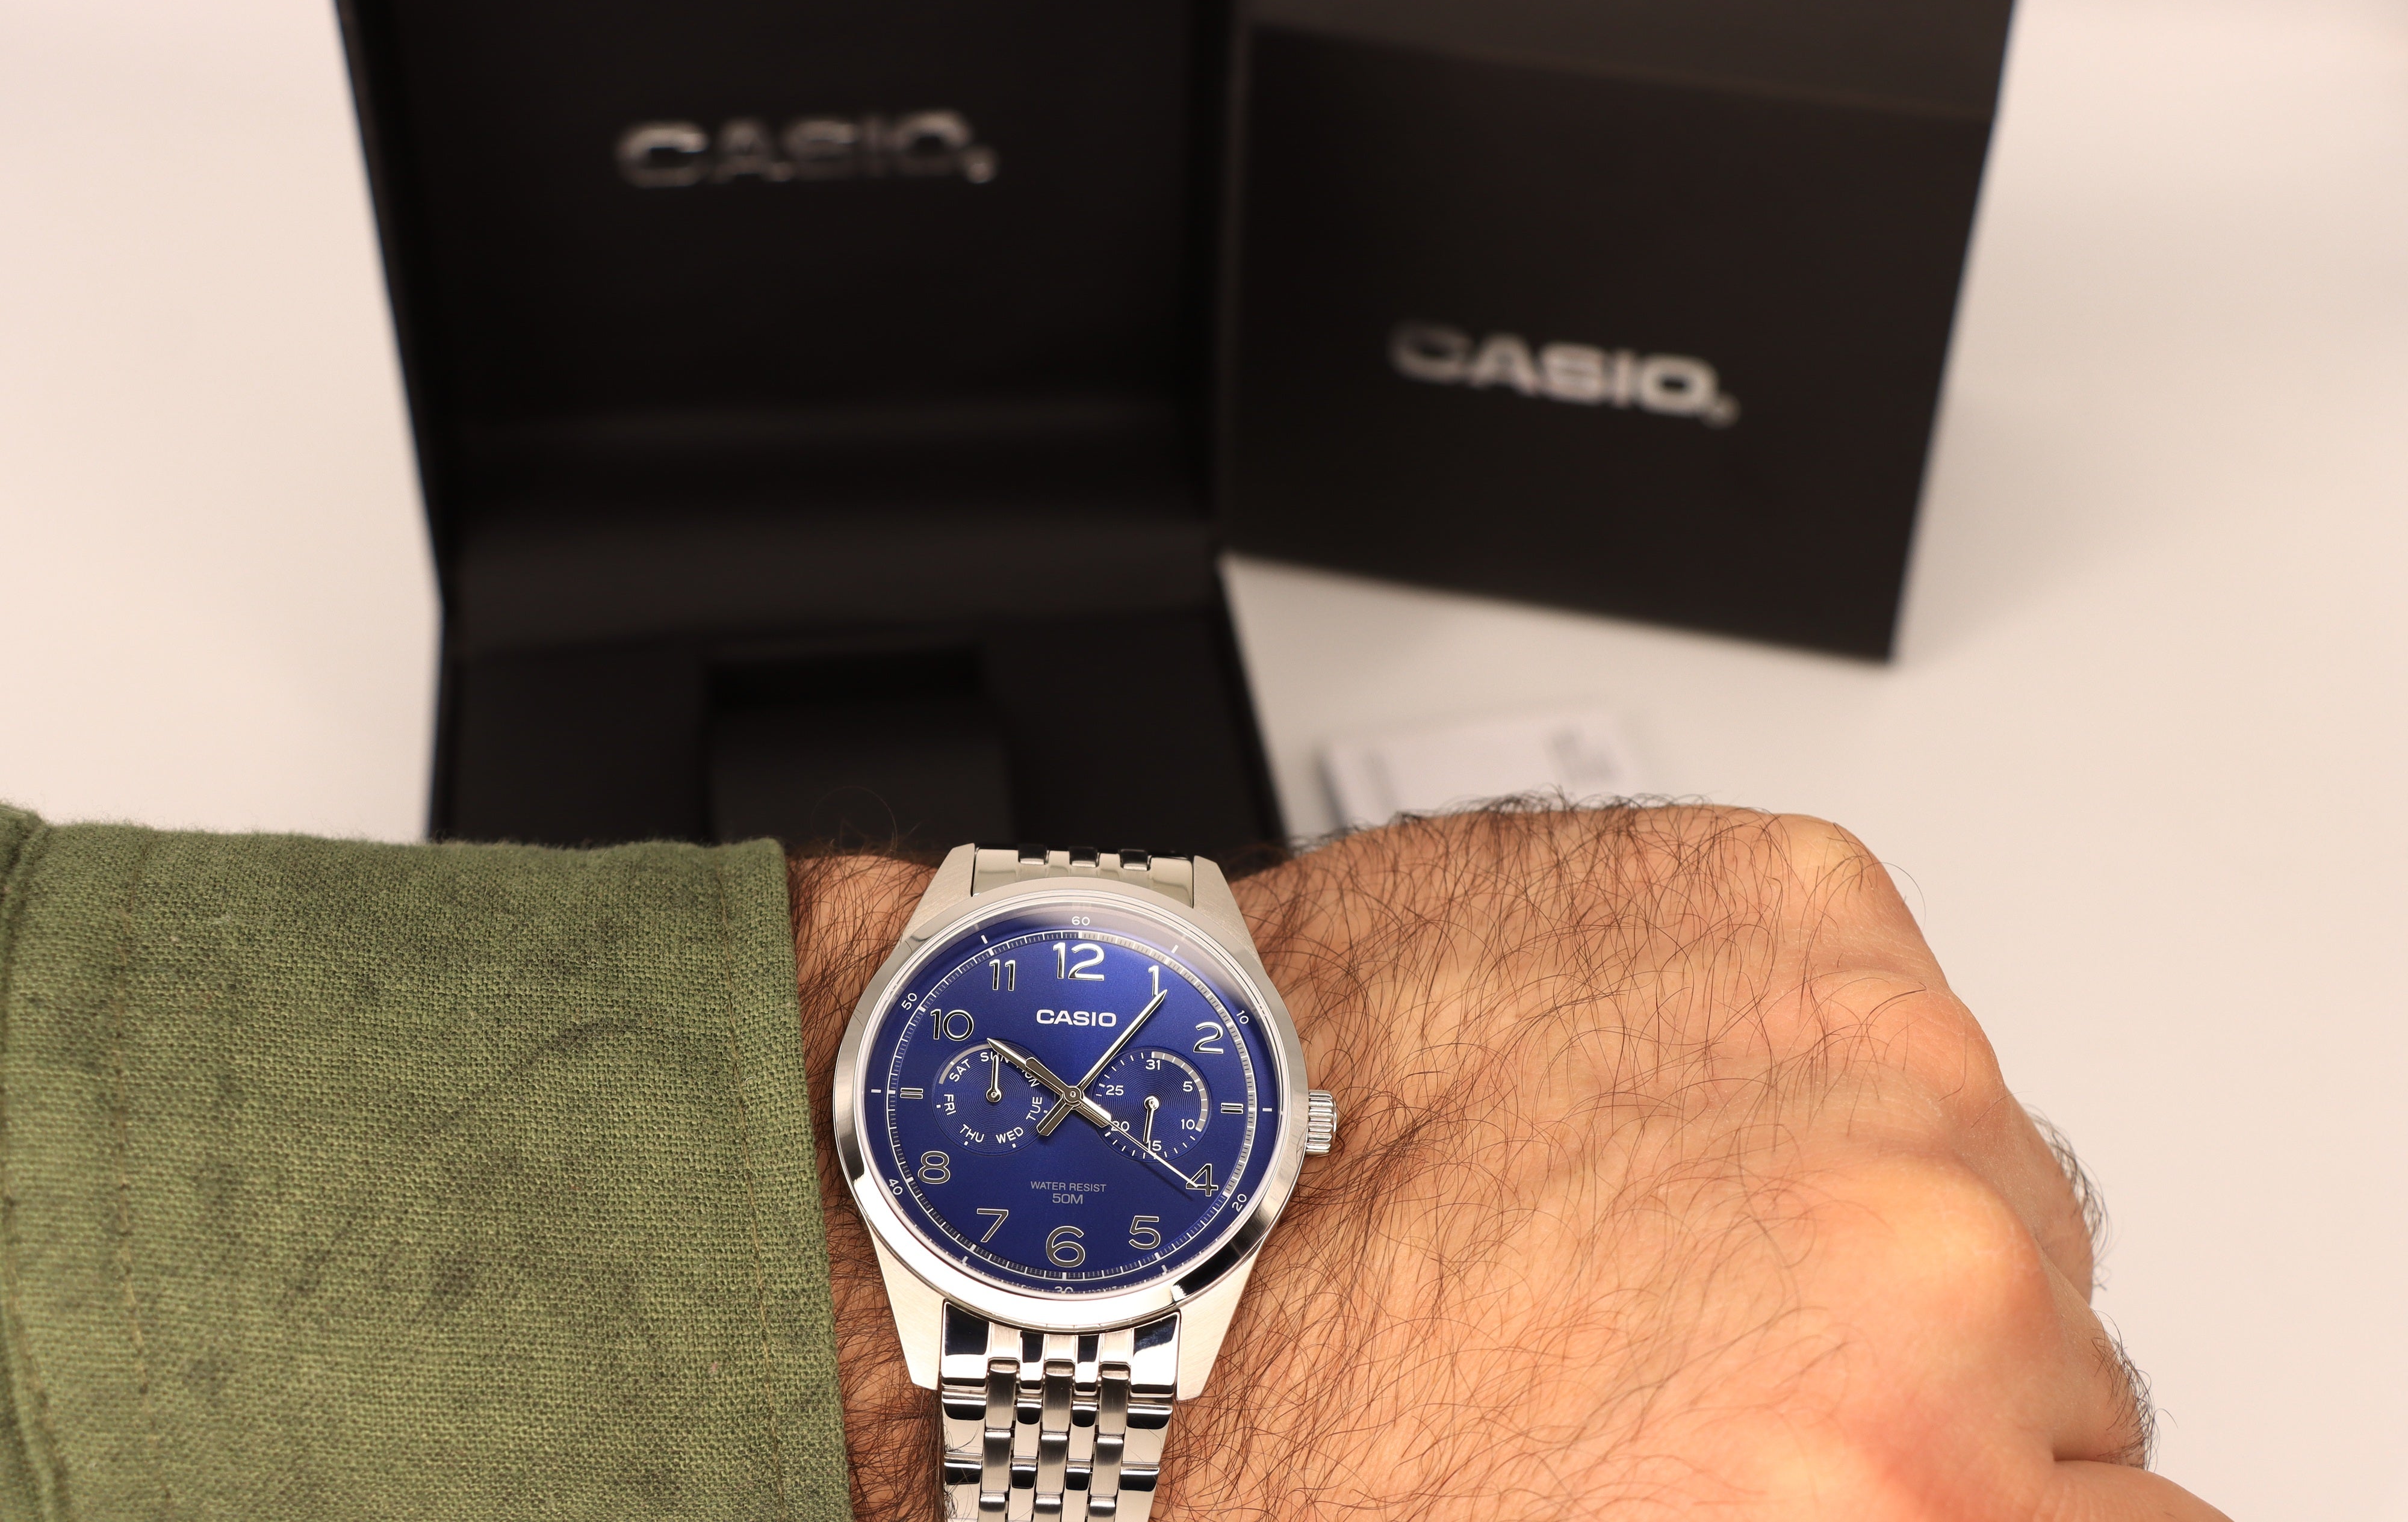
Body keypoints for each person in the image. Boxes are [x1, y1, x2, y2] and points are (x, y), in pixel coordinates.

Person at [0, 800, 2227, 1520]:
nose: (1069, 1112)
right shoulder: (917, 1123)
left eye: (1131, 1100)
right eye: (1037, 1089)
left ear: (1291, 1132)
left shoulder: (1235, 1124)